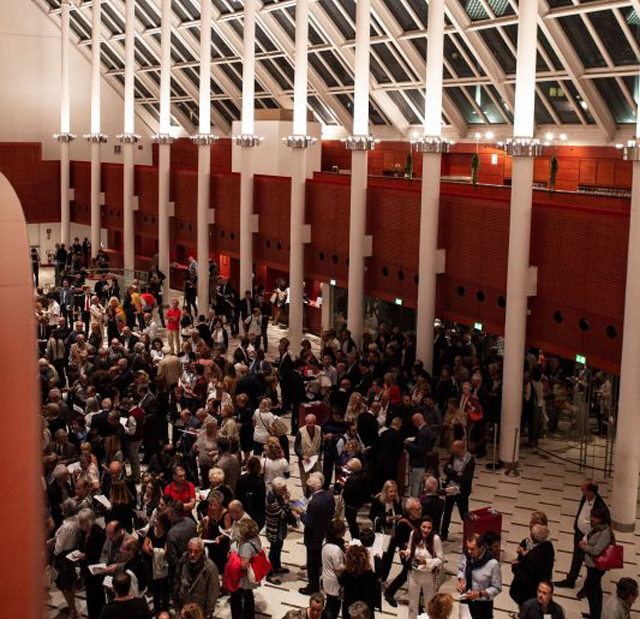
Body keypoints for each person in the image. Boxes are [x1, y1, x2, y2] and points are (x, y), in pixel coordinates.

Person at [555, 479, 607, 595]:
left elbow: (604, 527)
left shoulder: (601, 507)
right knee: (576, 557)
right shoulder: (585, 497)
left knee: (590, 563)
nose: (581, 490)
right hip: (579, 533)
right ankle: (570, 580)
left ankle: (587, 587)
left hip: (590, 540)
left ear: (590, 491)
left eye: (583, 488)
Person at [300, 472, 335, 595]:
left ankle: (313, 587)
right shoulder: (329, 496)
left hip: (313, 537)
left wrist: (301, 514)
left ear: (311, 488)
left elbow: (309, 523)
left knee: (312, 564)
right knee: (320, 560)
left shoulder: (314, 503)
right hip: (325, 532)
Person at [404, 516, 444, 619]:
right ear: (420, 526)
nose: (426, 530)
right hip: (414, 574)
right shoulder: (413, 534)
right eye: (424, 527)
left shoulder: (436, 539)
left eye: (429, 528)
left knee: (429, 604)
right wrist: (406, 553)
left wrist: (426, 562)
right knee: (412, 604)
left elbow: (440, 559)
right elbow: (409, 548)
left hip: (428, 576)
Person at [456, 533, 502, 619]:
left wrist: (479, 593)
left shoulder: (492, 564)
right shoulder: (466, 556)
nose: (469, 551)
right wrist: (461, 580)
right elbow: (461, 569)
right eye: (468, 548)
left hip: (482, 605)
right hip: (465, 599)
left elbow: (497, 588)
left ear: (481, 548)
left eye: (472, 549)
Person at [581, 506, 614, 619]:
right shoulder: (596, 527)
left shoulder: (605, 532)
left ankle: (595, 615)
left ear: (601, 519)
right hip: (592, 565)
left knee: (591, 591)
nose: (592, 519)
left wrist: (584, 547)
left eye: (594, 517)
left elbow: (596, 550)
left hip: (597, 567)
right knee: (596, 589)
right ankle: (596, 614)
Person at [510, 524, 555, 607]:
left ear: (533, 538)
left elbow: (525, 577)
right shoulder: (549, 547)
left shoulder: (533, 556)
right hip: (541, 582)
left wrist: (514, 566)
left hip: (528, 592)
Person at [172, 537, 219, 616]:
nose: (192, 554)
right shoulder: (183, 561)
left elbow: (213, 592)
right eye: (190, 551)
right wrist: (176, 603)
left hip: (199, 611)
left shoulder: (210, 568)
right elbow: (176, 581)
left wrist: (209, 612)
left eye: (196, 551)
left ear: (202, 551)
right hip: (184, 607)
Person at [265, 477, 298, 584]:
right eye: (284, 488)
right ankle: (269, 574)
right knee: (273, 550)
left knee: (278, 548)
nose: (286, 489)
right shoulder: (271, 500)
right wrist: (288, 504)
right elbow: (283, 513)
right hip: (274, 529)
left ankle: (277, 566)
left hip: (279, 528)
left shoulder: (277, 495)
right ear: (278, 490)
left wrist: (287, 503)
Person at [441, 440, 475, 541]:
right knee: (447, 512)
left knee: (464, 514)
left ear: (460, 448)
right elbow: (445, 469)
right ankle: (443, 533)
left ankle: (469, 534)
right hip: (450, 489)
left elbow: (466, 479)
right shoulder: (453, 456)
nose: (452, 448)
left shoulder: (469, 460)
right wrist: (456, 474)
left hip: (462, 492)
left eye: (454, 447)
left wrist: (453, 475)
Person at [230, 517, 263, 619]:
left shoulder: (246, 547)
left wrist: (234, 557)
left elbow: (244, 565)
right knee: (249, 596)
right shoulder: (256, 538)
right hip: (252, 577)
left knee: (236, 600)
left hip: (244, 580)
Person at [339, 544, 381, 619]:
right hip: (366, 610)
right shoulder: (371, 576)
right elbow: (376, 596)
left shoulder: (347, 573)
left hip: (350, 609)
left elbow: (341, 581)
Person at [321, 519, 347, 618]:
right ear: (337, 534)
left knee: (330, 603)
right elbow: (338, 569)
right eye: (343, 532)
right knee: (333, 607)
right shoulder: (336, 550)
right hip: (334, 582)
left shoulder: (325, 542)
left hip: (326, 577)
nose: (344, 534)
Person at [405, 412, 433, 496]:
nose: (414, 424)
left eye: (414, 422)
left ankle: (414, 504)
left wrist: (408, 444)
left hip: (418, 462)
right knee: (420, 485)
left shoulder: (422, 432)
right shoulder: (427, 429)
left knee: (415, 486)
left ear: (417, 421)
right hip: (423, 462)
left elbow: (420, 449)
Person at [295, 414, 323, 497]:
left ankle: (317, 496)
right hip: (304, 460)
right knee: (305, 481)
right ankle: (306, 497)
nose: (309, 425)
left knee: (319, 479)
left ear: (315, 422)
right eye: (307, 423)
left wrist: (319, 456)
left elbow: (321, 446)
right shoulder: (300, 431)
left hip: (315, 459)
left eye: (311, 423)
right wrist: (302, 455)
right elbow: (296, 448)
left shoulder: (319, 429)